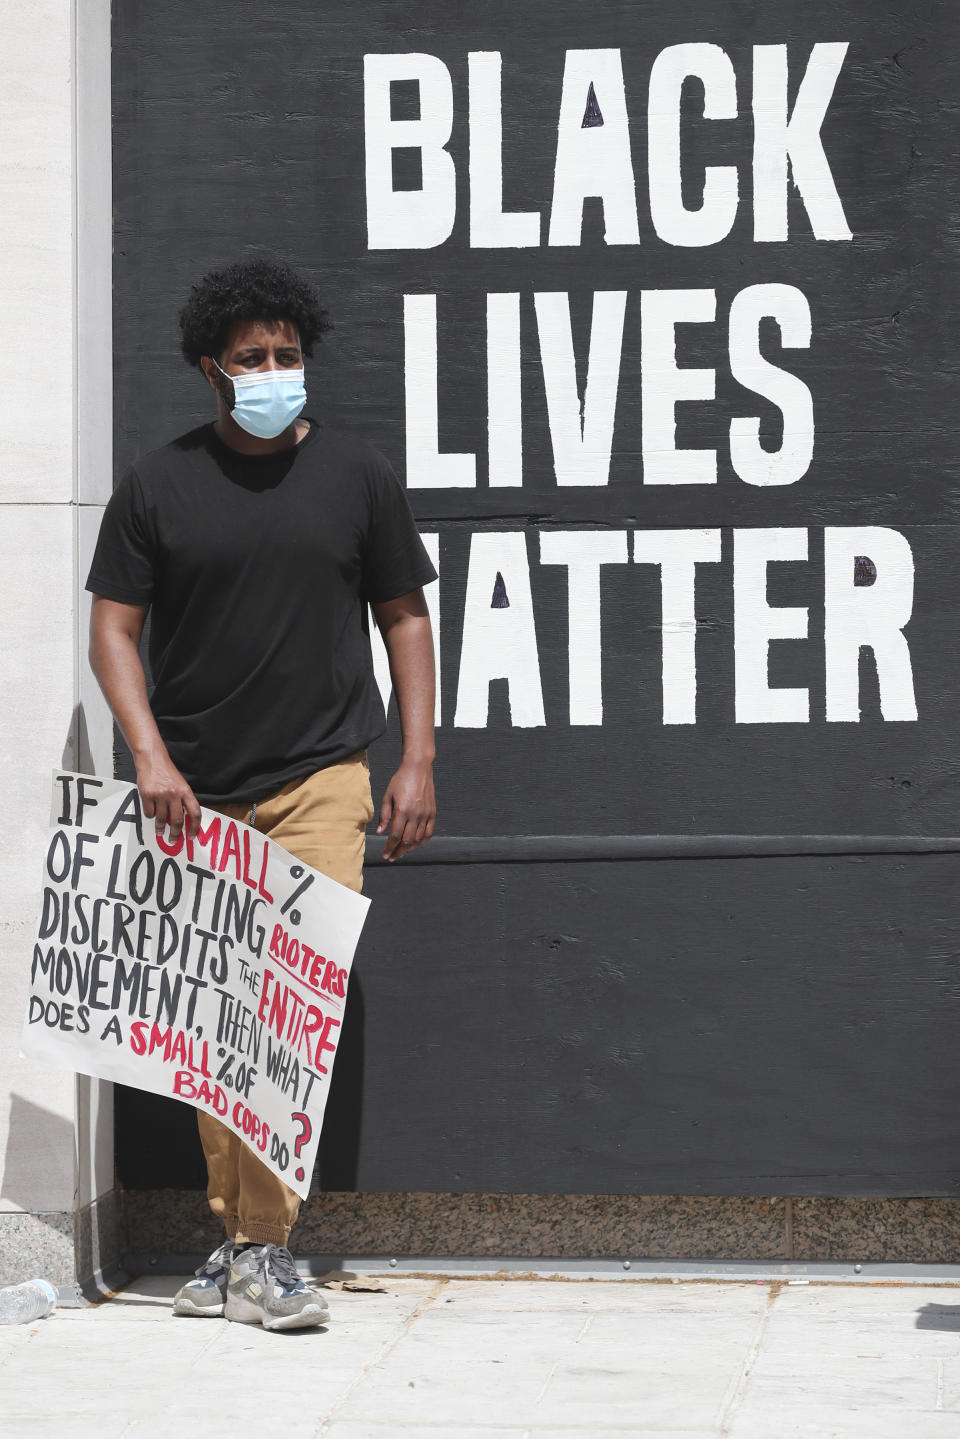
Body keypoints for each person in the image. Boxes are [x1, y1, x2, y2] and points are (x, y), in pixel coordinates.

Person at [87, 257, 437, 1331]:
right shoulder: (158, 484)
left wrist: (416, 757)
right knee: (219, 1019)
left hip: (322, 777)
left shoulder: (358, 477)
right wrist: (148, 755)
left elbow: (405, 618)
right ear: (213, 369)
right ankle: (239, 1244)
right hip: (193, 789)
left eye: (288, 356)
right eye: (253, 358)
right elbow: (113, 630)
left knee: (294, 1008)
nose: (274, 371)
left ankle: (262, 1246)